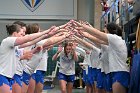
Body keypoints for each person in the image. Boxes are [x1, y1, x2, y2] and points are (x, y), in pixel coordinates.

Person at [0, 23, 60, 93]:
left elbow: (31, 42)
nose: (23, 35)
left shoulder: (15, 46)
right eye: (22, 33)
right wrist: (47, 31)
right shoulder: (8, 40)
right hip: (3, 75)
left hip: (11, 76)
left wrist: (46, 35)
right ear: (15, 33)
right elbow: (28, 39)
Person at [73, 21, 130, 93]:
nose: (104, 32)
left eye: (105, 30)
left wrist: (82, 27)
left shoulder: (116, 39)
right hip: (112, 72)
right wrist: (84, 35)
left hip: (120, 72)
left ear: (110, 30)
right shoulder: (111, 44)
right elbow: (96, 41)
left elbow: (98, 34)